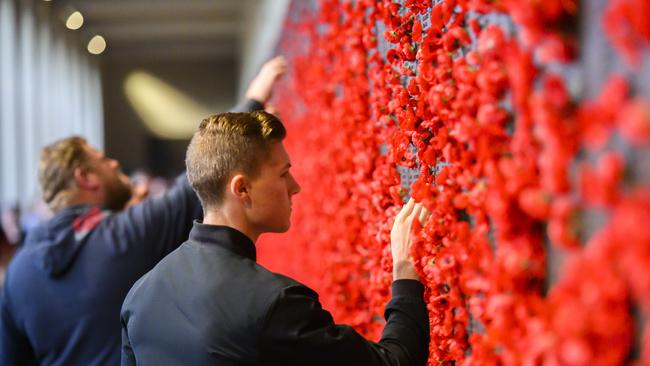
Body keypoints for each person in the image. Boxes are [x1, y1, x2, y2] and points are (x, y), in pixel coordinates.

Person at [0, 57, 287, 366]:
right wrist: (253, 101)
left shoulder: (17, 275)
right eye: (102, 160)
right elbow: (199, 183)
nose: (114, 164)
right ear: (85, 178)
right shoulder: (122, 235)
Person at [120, 111, 431, 365]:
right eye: (283, 174)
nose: (295, 186)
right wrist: (404, 271)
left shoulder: (140, 296)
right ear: (241, 189)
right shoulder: (273, 304)